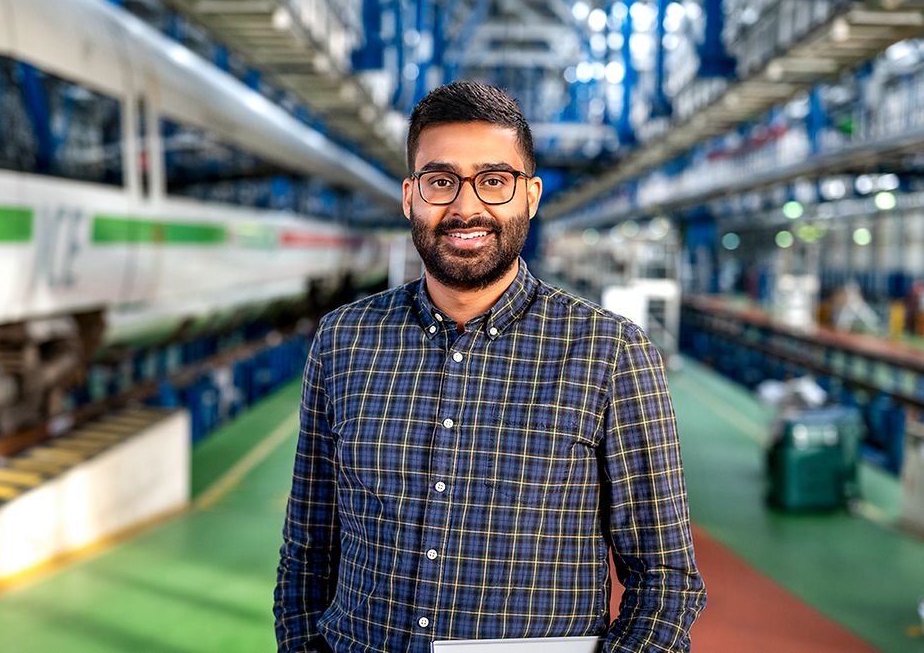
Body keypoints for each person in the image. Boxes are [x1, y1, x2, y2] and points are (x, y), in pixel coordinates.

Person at [275, 80, 705, 653]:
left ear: (530, 195)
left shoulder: (611, 353)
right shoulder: (343, 341)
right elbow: (309, 548)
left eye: (494, 181)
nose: (466, 206)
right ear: (410, 196)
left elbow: (664, 581)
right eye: (441, 181)